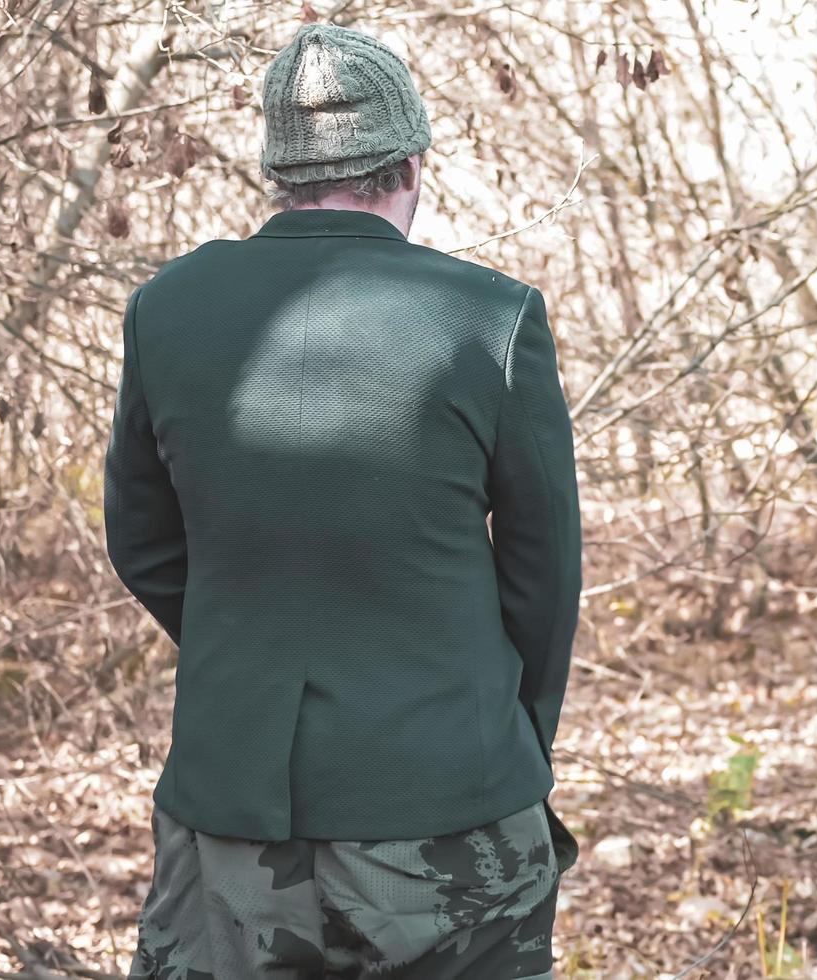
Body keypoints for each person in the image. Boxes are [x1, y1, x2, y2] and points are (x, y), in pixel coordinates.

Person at [103, 20, 583, 980]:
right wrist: (509, 730)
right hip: (451, 806)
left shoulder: (170, 307)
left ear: (279, 170)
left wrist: (249, 651)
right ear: (409, 165)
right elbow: (544, 566)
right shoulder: (490, 318)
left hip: (231, 816)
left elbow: (142, 542)